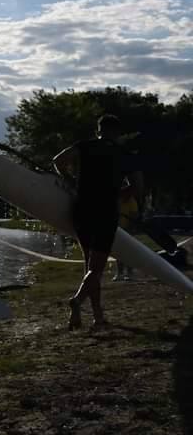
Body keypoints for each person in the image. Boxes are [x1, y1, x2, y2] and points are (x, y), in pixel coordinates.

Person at [52, 114, 141, 329]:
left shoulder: (84, 146)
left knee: (89, 266)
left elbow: (58, 161)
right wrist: (121, 195)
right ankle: (76, 301)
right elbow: (138, 184)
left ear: (98, 130)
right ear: (118, 133)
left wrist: (71, 180)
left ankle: (97, 317)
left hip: (81, 209)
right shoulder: (125, 154)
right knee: (97, 269)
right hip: (105, 211)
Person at [113, 183, 139, 281]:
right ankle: (119, 273)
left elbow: (134, 216)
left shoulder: (132, 202)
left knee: (128, 252)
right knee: (118, 252)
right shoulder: (117, 200)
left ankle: (130, 273)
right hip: (118, 230)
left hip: (128, 231)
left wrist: (130, 230)